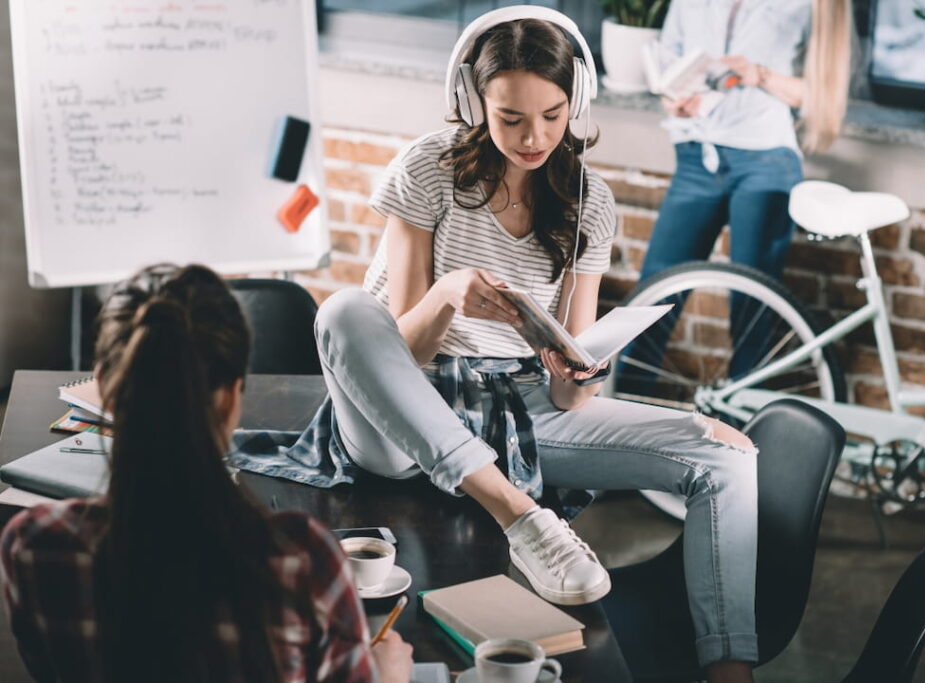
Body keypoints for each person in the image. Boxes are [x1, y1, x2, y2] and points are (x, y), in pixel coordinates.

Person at [307, 8, 760, 682]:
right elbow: (398, 344)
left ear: (574, 101)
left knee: (722, 457)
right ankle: (520, 514)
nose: (534, 136)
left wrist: (576, 372)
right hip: (400, 415)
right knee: (344, 311)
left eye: (551, 115)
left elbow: (568, 394)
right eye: (511, 117)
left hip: (514, 409)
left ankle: (731, 672)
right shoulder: (427, 169)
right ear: (472, 101)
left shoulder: (588, 199)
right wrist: (449, 294)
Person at [0, 264, 413, 683]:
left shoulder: (33, 547)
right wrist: (387, 676)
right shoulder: (305, 562)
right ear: (234, 395)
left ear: (104, 389)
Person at [627, 0, 852, 383]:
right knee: (653, 295)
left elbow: (823, 97)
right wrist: (676, 99)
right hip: (697, 155)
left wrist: (759, 75)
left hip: (765, 160)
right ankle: (621, 408)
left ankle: (745, 428)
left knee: (753, 308)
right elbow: (670, 62)